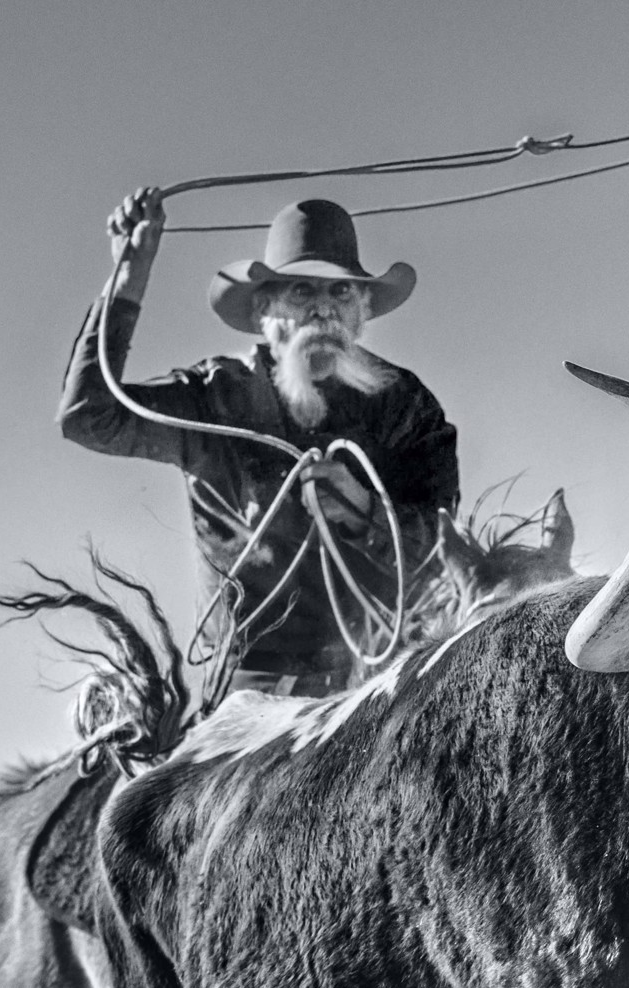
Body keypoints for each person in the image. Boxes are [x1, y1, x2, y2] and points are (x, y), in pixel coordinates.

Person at [59, 193, 461, 696]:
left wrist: (365, 514)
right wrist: (130, 273)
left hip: (380, 673)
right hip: (251, 682)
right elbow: (89, 417)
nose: (322, 308)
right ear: (263, 308)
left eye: (340, 291)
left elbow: (448, 546)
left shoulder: (404, 404)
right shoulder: (214, 396)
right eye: (301, 291)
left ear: (361, 309)